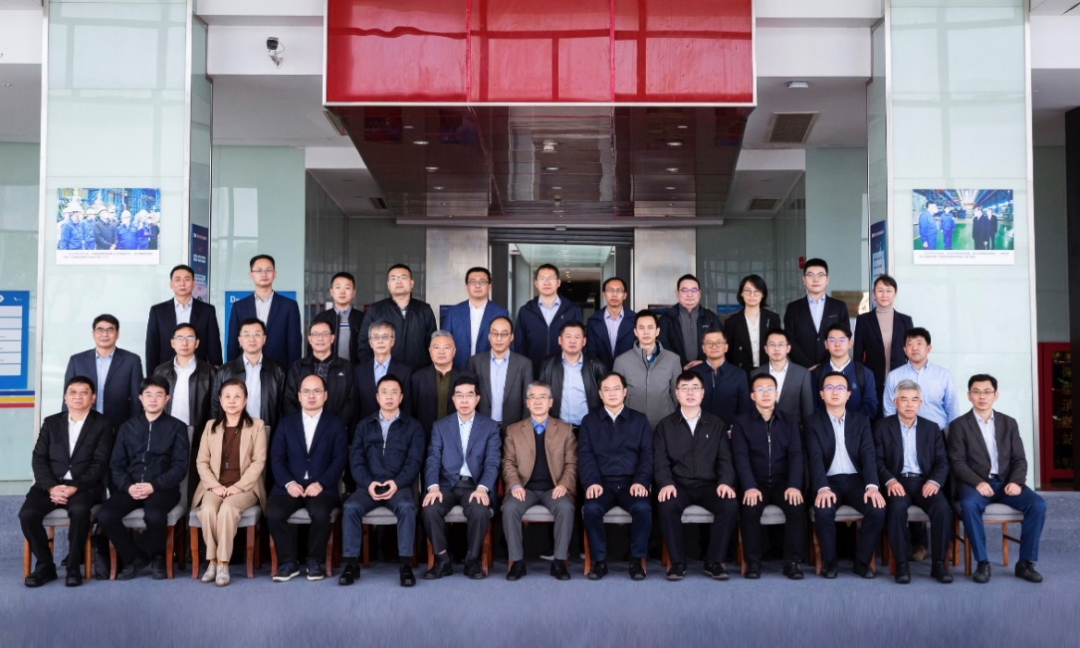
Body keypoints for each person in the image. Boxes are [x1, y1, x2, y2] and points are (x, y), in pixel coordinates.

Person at [947, 374, 1046, 584]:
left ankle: (1025, 563)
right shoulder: (959, 425)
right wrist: (978, 482)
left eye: (987, 392)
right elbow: (957, 463)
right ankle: (982, 563)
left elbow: (1019, 459)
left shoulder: (1009, 423)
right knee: (968, 505)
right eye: (976, 392)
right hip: (975, 485)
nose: (982, 396)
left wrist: (1016, 481)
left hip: (1006, 483)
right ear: (969, 395)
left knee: (1037, 504)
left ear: (996, 395)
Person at [20, 377, 115, 588]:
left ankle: (73, 567)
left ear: (93, 397)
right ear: (65, 397)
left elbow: (100, 463)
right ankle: (45, 566)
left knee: (80, 512)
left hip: (84, 487)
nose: (78, 396)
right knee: (27, 515)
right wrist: (51, 487)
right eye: (73, 392)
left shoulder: (103, 424)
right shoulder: (51, 422)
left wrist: (75, 487)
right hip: (49, 486)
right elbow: (39, 458)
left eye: (84, 392)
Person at [97, 376, 189, 580]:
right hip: (131, 487)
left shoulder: (177, 427)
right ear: (140, 398)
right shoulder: (127, 427)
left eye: (159, 395)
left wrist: (153, 485)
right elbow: (116, 464)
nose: (153, 399)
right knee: (105, 515)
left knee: (154, 515)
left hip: (163, 488)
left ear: (167, 398)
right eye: (148, 395)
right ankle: (134, 558)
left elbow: (180, 467)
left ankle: (158, 558)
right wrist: (128, 486)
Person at [340, 374, 425, 587]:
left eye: (394, 392)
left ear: (401, 397)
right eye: (384, 392)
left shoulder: (413, 427)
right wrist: (368, 483)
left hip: (399, 486)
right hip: (369, 486)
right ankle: (351, 564)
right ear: (377, 397)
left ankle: (405, 565)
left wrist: (397, 483)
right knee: (350, 507)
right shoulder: (364, 425)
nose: (389, 397)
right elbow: (356, 460)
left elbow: (414, 462)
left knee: (406, 507)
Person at [654, 371, 739, 581]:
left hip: (709, 485)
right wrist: (665, 483)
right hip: (678, 485)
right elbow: (660, 461)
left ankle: (714, 561)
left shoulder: (716, 424)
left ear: (703, 393)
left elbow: (725, 459)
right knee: (666, 504)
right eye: (684, 388)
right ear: (677, 393)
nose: (690, 393)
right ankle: (677, 563)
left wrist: (725, 482)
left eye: (695, 388)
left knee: (729, 504)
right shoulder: (665, 425)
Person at [805, 372, 886, 579]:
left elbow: (868, 455)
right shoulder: (812, 422)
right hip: (828, 482)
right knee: (823, 510)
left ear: (848, 394)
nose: (835, 392)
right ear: (821, 394)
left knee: (877, 509)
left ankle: (861, 562)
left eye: (840, 388)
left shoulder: (861, 421)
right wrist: (822, 487)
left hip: (856, 481)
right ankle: (829, 562)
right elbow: (814, 458)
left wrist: (872, 486)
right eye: (829, 388)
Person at [268, 375, 347, 583]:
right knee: (274, 513)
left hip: (321, 487)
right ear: (299, 396)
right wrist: (288, 483)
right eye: (306, 391)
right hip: (289, 486)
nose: (311, 396)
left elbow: (339, 459)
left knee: (320, 513)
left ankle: (314, 561)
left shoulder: (336, 424)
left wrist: (321, 483)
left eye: (317, 391)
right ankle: (288, 562)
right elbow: (276, 458)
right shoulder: (286, 424)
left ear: (325, 395)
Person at [873, 380, 953, 584]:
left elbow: (942, 461)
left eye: (914, 400)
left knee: (943, 508)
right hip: (897, 481)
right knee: (896, 508)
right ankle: (901, 564)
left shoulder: (931, 428)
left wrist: (934, 481)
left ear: (920, 403)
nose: (909, 404)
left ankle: (939, 565)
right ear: (895, 402)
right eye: (904, 399)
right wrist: (890, 481)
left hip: (925, 482)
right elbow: (877, 461)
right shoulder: (882, 427)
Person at [422, 376, 502, 580]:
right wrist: (433, 487)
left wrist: (483, 488)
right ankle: (443, 560)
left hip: (475, 485)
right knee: (430, 508)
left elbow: (492, 462)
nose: (464, 400)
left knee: (480, 509)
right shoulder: (440, 426)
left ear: (477, 399)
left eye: (469, 395)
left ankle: (472, 560)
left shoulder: (490, 426)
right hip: (446, 485)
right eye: (459, 395)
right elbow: (432, 460)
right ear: (453, 399)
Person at [192, 379, 268, 587]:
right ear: (220, 400)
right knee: (207, 510)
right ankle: (212, 561)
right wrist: (214, 485)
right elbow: (201, 461)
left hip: (245, 487)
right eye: (227, 396)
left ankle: (223, 564)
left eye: (237, 396)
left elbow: (259, 462)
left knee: (227, 509)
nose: (232, 401)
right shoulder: (211, 426)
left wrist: (238, 486)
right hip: (215, 485)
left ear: (245, 400)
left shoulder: (257, 426)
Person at [578, 372, 653, 581]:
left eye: (616, 389)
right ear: (600, 394)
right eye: (607, 390)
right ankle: (599, 562)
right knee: (591, 509)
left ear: (625, 392)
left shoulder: (639, 420)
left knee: (643, 508)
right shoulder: (589, 421)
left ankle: (636, 561)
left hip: (631, 483)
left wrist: (641, 481)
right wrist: (592, 482)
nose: (612, 393)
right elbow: (585, 456)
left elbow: (647, 455)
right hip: (602, 483)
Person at [731, 374, 806, 580]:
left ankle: (792, 562)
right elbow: (741, 457)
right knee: (749, 508)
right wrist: (749, 486)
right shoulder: (741, 422)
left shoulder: (790, 421)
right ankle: (753, 562)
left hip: (783, 483)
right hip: (756, 483)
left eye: (770, 389)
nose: (765, 394)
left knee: (796, 506)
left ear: (776, 393)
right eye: (760, 390)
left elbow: (796, 455)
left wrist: (794, 485)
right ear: (752, 396)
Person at [501, 381, 577, 581]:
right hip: (525, 488)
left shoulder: (565, 429)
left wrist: (563, 485)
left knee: (566, 508)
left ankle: (559, 562)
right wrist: (515, 484)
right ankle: (517, 563)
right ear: (527, 403)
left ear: (550, 402)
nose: (537, 401)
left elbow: (571, 464)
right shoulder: (514, 430)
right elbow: (508, 462)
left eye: (542, 397)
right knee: (509, 508)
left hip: (554, 488)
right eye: (532, 397)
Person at [153, 323, 214, 498]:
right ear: (172, 343)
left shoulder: (209, 372)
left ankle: (189, 513)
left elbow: (214, 408)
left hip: (197, 435)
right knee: (166, 481)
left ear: (197, 343)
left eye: (190, 338)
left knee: (193, 482)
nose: (184, 343)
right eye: (180, 338)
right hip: (166, 435)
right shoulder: (161, 371)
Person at [64, 314, 143, 430]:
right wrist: (65, 427)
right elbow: (68, 397)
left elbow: (137, 400)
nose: (105, 334)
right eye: (100, 330)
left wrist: (135, 428)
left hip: (119, 426)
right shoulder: (77, 361)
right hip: (83, 426)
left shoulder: (131, 360)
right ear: (93, 334)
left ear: (117, 334)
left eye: (110, 330)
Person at [226, 254, 302, 369]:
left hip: (279, 371)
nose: (264, 274)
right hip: (246, 370)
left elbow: (294, 345)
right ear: (251, 275)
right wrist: (231, 371)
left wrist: (293, 374)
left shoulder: (289, 306)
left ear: (275, 274)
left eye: (268, 270)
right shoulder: (239, 307)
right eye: (259, 270)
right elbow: (233, 343)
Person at [853, 274, 913, 418]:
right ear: (874, 294)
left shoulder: (905, 320)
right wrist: (860, 381)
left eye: (888, 290)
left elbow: (910, 353)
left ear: (895, 293)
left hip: (900, 380)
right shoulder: (863, 320)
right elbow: (857, 355)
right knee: (876, 419)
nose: (884, 295)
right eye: (880, 290)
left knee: (900, 419)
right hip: (873, 380)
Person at [210, 318, 285, 433]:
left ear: (264, 339)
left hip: (267, 432)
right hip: (232, 433)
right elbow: (215, 407)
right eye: (246, 335)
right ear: (240, 341)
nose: (252, 339)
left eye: (257, 334)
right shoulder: (224, 371)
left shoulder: (277, 371)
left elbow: (283, 409)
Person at [357, 264, 438, 369]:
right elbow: (364, 344)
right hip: (386, 374)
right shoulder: (375, 310)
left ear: (412, 283)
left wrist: (426, 372)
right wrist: (376, 371)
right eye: (393, 278)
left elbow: (433, 343)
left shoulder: (424, 310)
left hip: (418, 373)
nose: (398, 281)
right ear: (388, 285)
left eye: (403, 277)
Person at [283, 321, 358, 431]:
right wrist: (301, 425)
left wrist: (336, 426)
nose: (320, 338)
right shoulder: (298, 366)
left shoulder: (345, 367)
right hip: (303, 429)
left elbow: (351, 401)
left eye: (325, 334)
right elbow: (289, 399)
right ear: (309, 339)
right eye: (315, 334)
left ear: (332, 338)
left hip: (336, 430)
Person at [146, 264, 223, 370]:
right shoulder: (158, 311)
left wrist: (217, 372)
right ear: (171, 284)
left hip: (200, 371)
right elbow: (152, 347)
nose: (182, 283)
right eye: (177, 280)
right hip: (166, 372)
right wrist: (152, 376)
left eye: (187, 279)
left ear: (193, 284)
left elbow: (214, 345)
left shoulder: (207, 310)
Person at [613, 309, 680, 428]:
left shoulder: (673, 359)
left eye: (650, 327)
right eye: (641, 328)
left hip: (665, 425)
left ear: (657, 331)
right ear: (635, 332)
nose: (646, 332)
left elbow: (677, 395)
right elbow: (617, 397)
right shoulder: (621, 361)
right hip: (632, 425)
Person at [882, 328, 958, 430]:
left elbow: (952, 410)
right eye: (910, 344)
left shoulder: (944, 375)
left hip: (938, 433)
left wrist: (953, 434)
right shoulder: (894, 376)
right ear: (905, 350)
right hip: (903, 434)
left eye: (919, 343)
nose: (914, 348)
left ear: (928, 348)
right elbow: (889, 410)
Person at [513, 264, 583, 375]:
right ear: (536, 283)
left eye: (551, 278)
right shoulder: (526, 311)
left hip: (564, 373)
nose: (546, 282)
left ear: (558, 282)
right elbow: (519, 345)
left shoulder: (572, 310)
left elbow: (580, 344)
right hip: (533, 373)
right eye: (542, 278)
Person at [467, 316, 533, 429]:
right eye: (494, 333)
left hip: (514, 428)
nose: (499, 338)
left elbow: (528, 401)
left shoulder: (524, 364)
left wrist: (522, 429)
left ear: (511, 337)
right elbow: (469, 397)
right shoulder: (475, 362)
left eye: (504, 334)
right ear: (489, 336)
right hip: (481, 427)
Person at [538, 321, 606, 429]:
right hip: (557, 428)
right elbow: (540, 396)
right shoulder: (547, 365)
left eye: (577, 337)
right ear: (560, 340)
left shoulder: (596, 366)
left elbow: (605, 399)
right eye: (568, 336)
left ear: (584, 341)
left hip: (588, 428)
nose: (572, 341)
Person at [783, 259, 849, 368]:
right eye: (810, 275)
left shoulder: (839, 307)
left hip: (832, 367)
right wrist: (808, 365)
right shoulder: (793, 308)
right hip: (802, 369)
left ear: (827, 279)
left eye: (820, 275)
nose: (815, 279)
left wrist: (827, 365)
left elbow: (844, 337)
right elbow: (789, 340)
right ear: (804, 280)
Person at [443, 267, 510, 369]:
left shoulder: (500, 313)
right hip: (458, 369)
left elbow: (507, 344)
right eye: (473, 282)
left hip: (490, 369)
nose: (477, 286)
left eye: (482, 282)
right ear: (467, 286)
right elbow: (444, 341)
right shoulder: (454, 312)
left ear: (489, 286)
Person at [810, 324, 877, 419]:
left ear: (850, 343)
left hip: (857, 427)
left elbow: (870, 407)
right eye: (832, 340)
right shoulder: (816, 373)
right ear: (826, 344)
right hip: (823, 427)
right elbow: (812, 406)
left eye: (842, 340)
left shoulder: (865, 373)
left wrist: (847, 423)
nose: (837, 344)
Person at [409, 331, 466, 439]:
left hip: (458, 437)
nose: (441, 352)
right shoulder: (417, 378)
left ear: (454, 351)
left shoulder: (467, 377)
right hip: (425, 437)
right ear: (430, 351)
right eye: (436, 347)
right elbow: (412, 412)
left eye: (446, 347)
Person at [750, 329, 814, 424]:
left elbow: (808, 408)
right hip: (762, 426)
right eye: (772, 345)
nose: (776, 348)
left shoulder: (802, 373)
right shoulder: (755, 373)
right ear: (766, 349)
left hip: (793, 428)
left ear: (788, 348)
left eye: (780, 345)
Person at [658, 274, 722, 369]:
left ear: (700, 293)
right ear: (677, 294)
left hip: (706, 369)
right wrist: (680, 364)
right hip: (675, 371)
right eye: (684, 290)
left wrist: (703, 361)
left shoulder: (710, 318)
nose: (689, 294)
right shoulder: (667, 318)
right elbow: (662, 344)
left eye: (694, 290)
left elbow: (719, 342)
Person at [354, 320, 412, 421]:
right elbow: (355, 406)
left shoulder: (404, 371)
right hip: (366, 427)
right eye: (376, 337)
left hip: (396, 427)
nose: (380, 341)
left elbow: (407, 407)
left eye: (385, 337)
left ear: (392, 341)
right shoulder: (358, 371)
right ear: (370, 343)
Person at [692, 328, 751, 426]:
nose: (714, 346)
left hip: (729, 431)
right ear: (703, 348)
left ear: (726, 347)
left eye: (718, 342)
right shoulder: (693, 373)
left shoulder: (739, 374)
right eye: (709, 343)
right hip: (698, 430)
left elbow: (744, 409)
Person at [723, 275, 781, 375]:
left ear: (762, 294)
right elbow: (728, 353)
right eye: (748, 291)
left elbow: (778, 346)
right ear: (741, 293)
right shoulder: (731, 322)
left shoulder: (773, 318)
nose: (752, 295)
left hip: (768, 372)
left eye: (756, 291)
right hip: (740, 373)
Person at [585, 277, 636, 371]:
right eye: (610, 290)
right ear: (604, 294)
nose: (614, 294)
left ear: (625, 295)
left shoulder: (635, 320)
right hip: (601, 374)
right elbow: (591, 354)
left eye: (619, 291)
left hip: (629, 373)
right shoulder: (593, 321)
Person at [311, 272, 364, 363]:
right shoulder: (321, 318)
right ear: (331, 292)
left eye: (347, 288)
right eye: (338, 287)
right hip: (327, 368)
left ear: (353, 292)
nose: (342, 292)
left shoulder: (363, 318)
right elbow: (312, 348)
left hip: (356, 369)